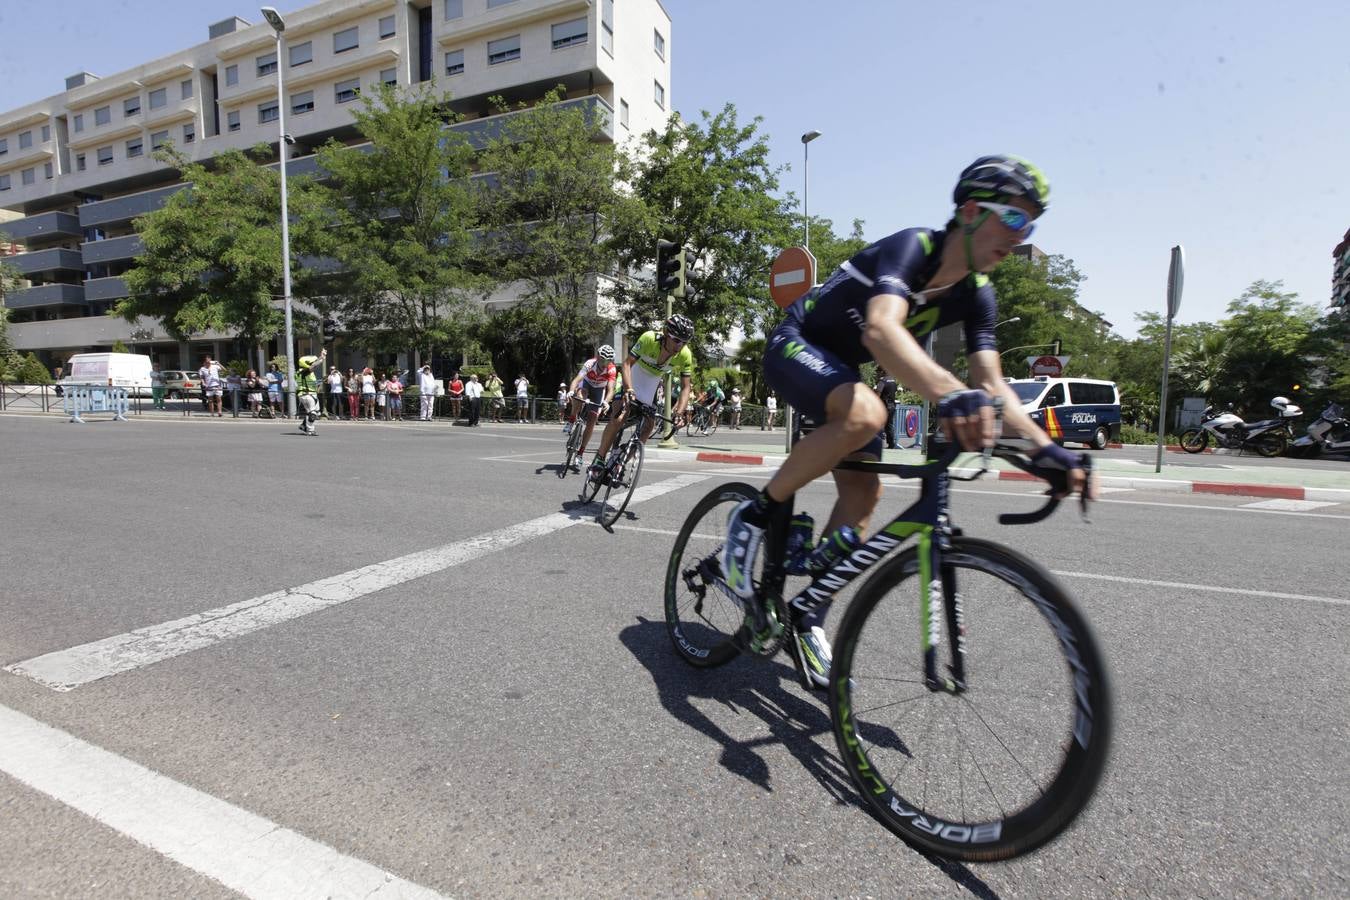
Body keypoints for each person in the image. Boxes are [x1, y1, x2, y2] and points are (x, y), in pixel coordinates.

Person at [720, 155, 1092, 689]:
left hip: (839, 373)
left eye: (1029, 224)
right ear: (968, 211)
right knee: (868, 413)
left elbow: (993, 383)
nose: (1020, 234)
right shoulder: (912, 248)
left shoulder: (977, 295)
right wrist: (951, 392)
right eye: (1012, 218)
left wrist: (1044, 451)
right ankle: (756, 514)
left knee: (865, 494)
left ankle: (808, 618)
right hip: (796, 346)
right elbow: (880, 330)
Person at [589, 316, 695, 481]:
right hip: (630, 378)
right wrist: (628, 389)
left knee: (648, 426)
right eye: (676, 340)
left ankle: (621, 463)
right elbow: (626, 365)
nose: (679, 346)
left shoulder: (685, 355)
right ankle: (599, 458)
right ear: (666, 333)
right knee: (619, 417)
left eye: (684, 342)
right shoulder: (649, 338)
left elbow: (686, 387)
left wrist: (679, 413)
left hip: (650, 385)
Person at [564, 345, 617, 468]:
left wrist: (606, 402)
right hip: (586, 384)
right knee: (580, 395)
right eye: (602, 359)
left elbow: (611, 390)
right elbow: (577, 380)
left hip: (599, 390)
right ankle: (571, 420)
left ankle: (580, 454)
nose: (604, 363)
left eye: (607, 361)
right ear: (598, 356)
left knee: (592, 422)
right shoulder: (590, 363)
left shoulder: (611, 369)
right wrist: (571, 391)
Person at [294, 350, 328, 435]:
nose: (314, 366)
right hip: (306, 394)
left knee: (316, 412)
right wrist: (321, 358)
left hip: (312, 394)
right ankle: (310, 430)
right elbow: (313, 366)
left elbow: (313, 367)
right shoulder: (302, 372)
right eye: (311, 363)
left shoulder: (309, 373)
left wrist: (320, 382)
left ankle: (303, 425)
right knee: (312, 413)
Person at [876, 369, 900, 449]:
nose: (878, 373)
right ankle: (891, 444)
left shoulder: (882, 381)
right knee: (889, 425)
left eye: (878, 371)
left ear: (882, 372)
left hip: (884, 406)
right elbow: (894, 393)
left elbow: (878, 394)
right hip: (892, 406)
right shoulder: (893, 381)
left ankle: (876, 444)